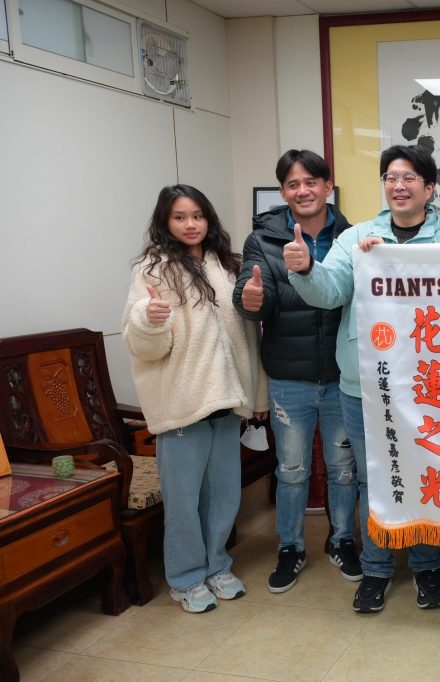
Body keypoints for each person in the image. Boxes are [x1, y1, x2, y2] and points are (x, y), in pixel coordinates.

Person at [287, 144, 440, 613]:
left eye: (409, 178)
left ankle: (427, 565)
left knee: (426, 471)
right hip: (366, 383)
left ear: (429, 188)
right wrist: (306, 269)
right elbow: (330, 292)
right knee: (374, 480)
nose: (398, 186)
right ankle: (376, 569)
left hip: (428, 384)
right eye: (390, 177)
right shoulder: (358, 238)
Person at [123, 184, 268, 613]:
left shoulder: (226, 265)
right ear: (165, 222)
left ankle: (217, 565)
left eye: (198, 216)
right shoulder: (152, 269)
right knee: (183, 501)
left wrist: (257, 395)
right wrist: (149, 320)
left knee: (224, 495)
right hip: (182, 406)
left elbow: (249, 337)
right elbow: (142, 345)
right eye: (180, 217)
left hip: (227, 400)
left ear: (209, 219)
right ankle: (186, 578)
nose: (191, 224)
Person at [232, 149, 361, 594]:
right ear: (283, 192)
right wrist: (250, 300)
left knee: (343, 468)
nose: (303, 191)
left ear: (328, 186)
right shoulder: (263, 240)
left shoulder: (352, 237)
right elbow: (252, 296)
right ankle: (290, 547)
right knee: (290, 469)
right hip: (288, 379)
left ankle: (342, 540)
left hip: (343, 377)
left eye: (311, 182)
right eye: (292, 184)